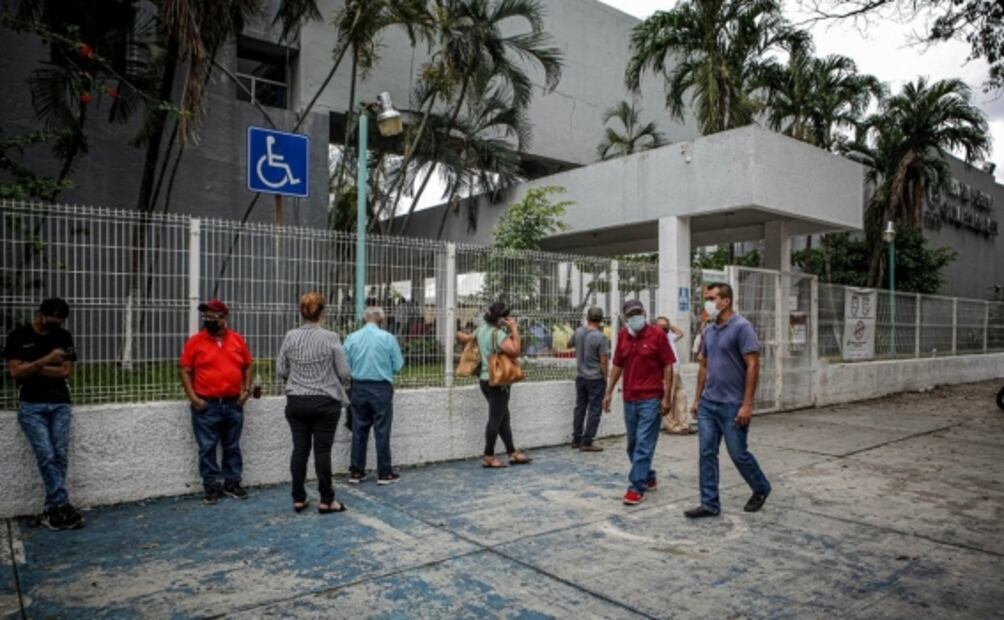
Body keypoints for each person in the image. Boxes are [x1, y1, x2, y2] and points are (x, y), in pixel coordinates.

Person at [685, 282, 771, 518]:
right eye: (706, 298)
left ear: (726, 301)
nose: (708, 303)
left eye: (712, 298)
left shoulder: (742, 328)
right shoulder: (709, 331)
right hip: (708, 404)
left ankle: (761, 487)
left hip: (733, 405)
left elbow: (753, 366)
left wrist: (747, 404)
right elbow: (704, 366)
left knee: (738, 453)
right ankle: (709, 503)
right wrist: (697, 399)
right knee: (706, 453)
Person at [5, 298, 83, 530]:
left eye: (60, 320)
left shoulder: (63, 337)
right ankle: (62, 505)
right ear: (41, 315)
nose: (56, 323)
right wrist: (47, 361)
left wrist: (32, 367)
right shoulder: (18, 336)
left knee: (60, 454)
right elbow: (15, 372)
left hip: (60, 403)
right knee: (46, 454)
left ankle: (54, 508)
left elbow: (65, 372)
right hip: (31, 405)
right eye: (52, 319)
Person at [277, 292, 350, 514]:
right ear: (322, 313)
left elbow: (281, 369)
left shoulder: (290, 336)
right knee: (322, 451)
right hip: (325, 401)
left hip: (296, 400)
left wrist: (297, 379)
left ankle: (298, 498)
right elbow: (345, 372)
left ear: (302, 313)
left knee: (299, 450)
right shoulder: (331, 337)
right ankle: (327, 500)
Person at [180, 299, 253, 505]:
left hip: (233, 404)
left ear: (224, 318)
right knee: (207, 447)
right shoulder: (195, 342)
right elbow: (185, 371)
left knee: (232, 446)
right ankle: (211, 486)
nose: (208, 319)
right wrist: (194, 399)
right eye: (206, 316)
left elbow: (248, 365)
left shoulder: (237, 340)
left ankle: (232, 482)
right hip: (206, 405)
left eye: (213, 316)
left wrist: (246, 392)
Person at [602, 300, 675, 506]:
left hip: (651, 398)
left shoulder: (657, 335)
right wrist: (608, 392)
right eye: (631, 314)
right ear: (625, 318)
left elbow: (668, 365)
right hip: (629, 398)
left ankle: (636, 486)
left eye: (638, 313)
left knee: (643, 443)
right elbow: (617, 365)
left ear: (644, 313)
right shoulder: (623, 336)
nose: (636, 317)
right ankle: (648, 474)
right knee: (632, 444)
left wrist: (666, 396)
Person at [456, 301, 532, 468]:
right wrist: (514, 328)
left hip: (485, 380)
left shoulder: (481, 330)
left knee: (503, 417)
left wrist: (459, 334)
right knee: (496, 419)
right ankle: (488, 456)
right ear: (501, 318)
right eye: (507, 316)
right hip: (498, 382)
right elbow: (515, 351)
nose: (509, 318)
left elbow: (466, 338)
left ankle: (512, 452)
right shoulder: (498, 334)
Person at [344, 306, 404, 485]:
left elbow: (345, 365)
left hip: (358, 387)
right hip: (381, 388)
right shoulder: (388, 338)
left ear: (364, 319)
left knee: (358, 430)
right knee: (382, 430)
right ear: (381, 320)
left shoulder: (352, 338)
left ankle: (356, 472)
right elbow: (398, 365)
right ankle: (384, 473)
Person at [569, 307, 610, 451]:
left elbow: (569, 344)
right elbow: (603, 361)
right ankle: (587, 442)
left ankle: (576, 439)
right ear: (601, 320)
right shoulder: (601, 337)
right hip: (595, 378)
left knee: (580, 407)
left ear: (587, 318)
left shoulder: (578, 332)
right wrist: (605, 377)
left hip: (581, 377)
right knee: (594, 409)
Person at [654, 316, 692, 435]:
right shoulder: (655, 338)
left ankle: (683, 423)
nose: (663, 328)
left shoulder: (669, 336)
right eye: (660, 326)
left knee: (681, 395)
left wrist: (669, 326)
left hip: (676, 369)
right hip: (666, 371)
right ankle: (671, 426)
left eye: (664, 326)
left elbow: (681, 333)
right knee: (667, 397)